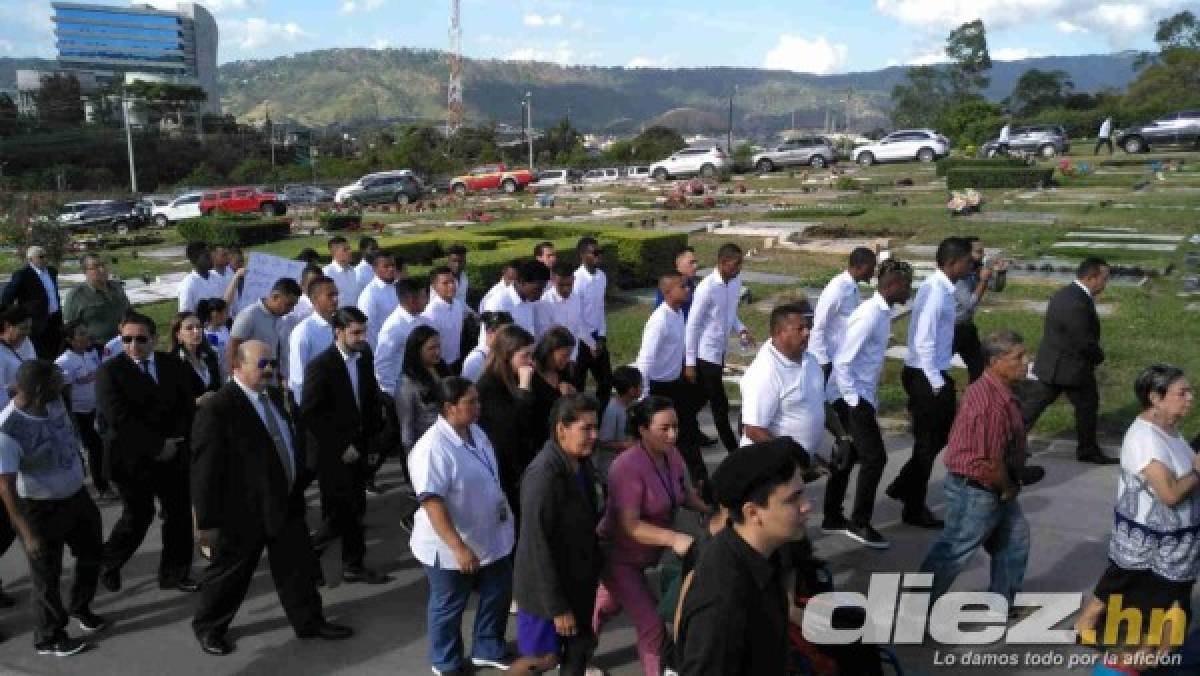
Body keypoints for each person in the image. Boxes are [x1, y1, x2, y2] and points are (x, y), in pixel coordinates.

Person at [191, 340, 352, 656]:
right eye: (262, 364)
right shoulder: (219, 408)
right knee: (229, 576)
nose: (270, 370)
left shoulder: (274, 397)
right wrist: (207, 523)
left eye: (273, 364)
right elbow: (204, 472)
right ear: (237, 366)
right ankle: (210, 627)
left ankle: (310, 622)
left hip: (284, 501)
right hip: (242, 511)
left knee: (297, 567)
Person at [1074, 364, 1200, 655]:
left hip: (1170, 541)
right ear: (1156, 398)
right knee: (1163, 601)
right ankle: (1149, 659)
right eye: (1183, 393)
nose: (1190, 398)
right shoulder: (1146, 440)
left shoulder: (1167, 428)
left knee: (1124, 584)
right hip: (1157, 541)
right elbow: (1169, 493)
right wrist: (1197, 474)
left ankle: (1092, 629)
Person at [593, 395, 708, 676]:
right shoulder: (626, 467)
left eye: (676, 427)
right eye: (664, 428)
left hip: (645, 555)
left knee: (606, 605)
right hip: (618, 556)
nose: (673, 435)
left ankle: (573, 649)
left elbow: (685, 495)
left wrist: (714, 511)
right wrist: (673, 539)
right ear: (643, 430)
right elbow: (629, 525)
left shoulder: (672, 454)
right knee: (653, 626)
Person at [408, 377, 516, 675]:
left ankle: (487, 647)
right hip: (452, 545)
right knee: (449, 605)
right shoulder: (432, 448)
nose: (478, 407)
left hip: (489, 535)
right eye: (471, 402)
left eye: (477, 400)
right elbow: (432, 502)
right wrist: (458, 546)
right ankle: (445, 662)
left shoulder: (474, 431)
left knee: (498, 591)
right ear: (449, 407)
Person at [919, 330, 1032, 609]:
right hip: (980, 489)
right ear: (995, 362)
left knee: (1014, 542)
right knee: (955, 550)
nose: (1026, 362)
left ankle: (1001, 604)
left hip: (993, 485)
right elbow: (989, 463)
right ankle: (915, 607)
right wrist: (1008, 489)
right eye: (1018, 357)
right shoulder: (991, 404)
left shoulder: (997, 391)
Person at [0, 360, 105, 657]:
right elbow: (5, 486)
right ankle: (49, 637)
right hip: (39, 510)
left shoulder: (55, 400)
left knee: (92, 552)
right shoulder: (8, 430)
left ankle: (80, 607)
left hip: (76, 497)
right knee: (46, 576)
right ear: (37, 390)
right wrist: (27, 533)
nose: (63, 385)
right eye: (56, 382)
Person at [677, 442, 809, 676]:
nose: (806, 506)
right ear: (753, 513)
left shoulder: (766, 552)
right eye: (793, 499)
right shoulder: (723, 599)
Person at [96, 312, 197, 593]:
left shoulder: (172, 365)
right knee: (138, 516)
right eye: (126, 339)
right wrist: (156, 446)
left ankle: (175, 574)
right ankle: (109, 562)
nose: (133, 345)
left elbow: (186, 405)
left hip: (173, 454)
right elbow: (119, 418)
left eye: (140, 339)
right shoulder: (110, 372)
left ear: (154, 339)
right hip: (131, 459)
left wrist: (175, 441)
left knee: (178, 516)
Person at [511, 394, 605, 676]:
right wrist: (557, 607)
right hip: (547, 594)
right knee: (542, 660)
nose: (594, 435)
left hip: (577, 582)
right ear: (561, 429)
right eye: (586, 429)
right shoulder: (543, 475)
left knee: (578, 652)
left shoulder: (581, 463)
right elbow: (535, 545)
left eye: (595, 427)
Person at [823, 260, 913, 550]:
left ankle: (832, 517)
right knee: (874, 458)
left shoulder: (882, 312)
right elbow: (843, 360)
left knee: (849, 455)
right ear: (892, 285)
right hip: (850, 396)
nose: (909, 289)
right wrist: (854, 402)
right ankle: (860, 522)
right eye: (906, 284)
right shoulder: (870, 315)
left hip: (858, 395)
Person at [887, 236, 973, 528]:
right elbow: (923, 339)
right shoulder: (936, 292)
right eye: (967, 260)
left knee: (937, 439)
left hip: (930, 373)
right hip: (927, 375)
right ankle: (913, 508)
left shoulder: (941, 289)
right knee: (927, 445)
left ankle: (903, 487)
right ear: (952, 263)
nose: (971, 264)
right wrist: (936, 382)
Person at [302, 307, 388, 584]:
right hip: (334, 453)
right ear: (338, 332)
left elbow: (370, 400)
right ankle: (306, 558)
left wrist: (373, 442)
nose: (361, 338)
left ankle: (353, 564)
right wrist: (340, 446)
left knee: (355, 509)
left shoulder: (362, 359)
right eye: (355, 333)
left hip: (360, 446)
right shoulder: (321, 365)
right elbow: (311, 413)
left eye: (363, 331)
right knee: (340, 512)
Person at [1022, 257, 1115, 465]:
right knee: (1086, 406)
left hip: (1054, 364)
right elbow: (1083, 341)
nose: (1105, 284)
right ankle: (1087, 450)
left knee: (1034, 405)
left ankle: (1009, 441)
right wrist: (1099, 356)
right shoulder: (1076, 303)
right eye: (1104, 278)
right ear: (1091, 278)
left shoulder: (1067, 293)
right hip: (1071, 368)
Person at [636, 272, 706, 493]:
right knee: (661, 441)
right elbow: (645, 361)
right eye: (682, 286)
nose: (688, 289)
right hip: (657, 389)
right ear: (667, 292)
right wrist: (644, 397)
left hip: (676, 385)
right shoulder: (659, 321)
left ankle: (702, 489)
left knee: (687, 437)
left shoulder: (678, 315)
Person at [685, 242, 755, 455]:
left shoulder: (735, 283)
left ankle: (683, 426)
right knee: (720, 405)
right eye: (736, 264)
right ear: (723, 263)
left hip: (719, 351)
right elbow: (693, 324)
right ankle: (735, 452)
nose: (739, 268)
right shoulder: (707, 288)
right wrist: (689, 363)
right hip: (705, 354)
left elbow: (729, 314)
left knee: (699, 398)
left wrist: (741, 329)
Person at [477, 325, 538, 517]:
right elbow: (511, 426)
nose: (530, 363)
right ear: (507, 356)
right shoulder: (488, 387)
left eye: (531, 356)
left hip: (522, 462)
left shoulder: (514, 378)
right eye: (525, 356)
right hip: (504, 469)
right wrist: (524, 389)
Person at [56, 320, 114, 502]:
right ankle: (102, 487)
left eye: (86, 332)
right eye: (81, 334)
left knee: (106, 445)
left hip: (99, 409)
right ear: (70, 340)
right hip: (81, 414)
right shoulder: (64, 362)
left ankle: (109, 479)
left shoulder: (91, 355)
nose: (86, 336)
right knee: (95, 450)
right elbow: (64, 394)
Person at [809, 247, 876, 379]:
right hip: (827, 359)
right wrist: (822, 360)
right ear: (858, 267)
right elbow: (818, 324)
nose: (873, 273)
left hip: (841, 357)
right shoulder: (838, 289)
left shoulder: (852, 286)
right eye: (871, 268)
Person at [953, 236, 1007, 382]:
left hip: (966, 326)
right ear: (966, 254)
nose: (982, 255)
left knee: (978, 367)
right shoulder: (958, 277)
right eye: (979, 252)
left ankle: (975, 399)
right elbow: (970, 303)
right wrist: (983, 280)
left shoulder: (975, 270)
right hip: (951, 329)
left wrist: (1001, 273)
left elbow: (997, 287)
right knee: (938, 367)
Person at [227, 277, 302, 382]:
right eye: (289, 305)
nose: (291, 310)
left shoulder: (279, 317)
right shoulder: (249, 315)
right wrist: (237, 381)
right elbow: (232, 350)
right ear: (275, 297)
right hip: (249, 381)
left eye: (293, 306)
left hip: (269, 379)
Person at [572, 237, 612, 406]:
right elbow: (576, 315)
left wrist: (601, 336)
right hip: (580, 340)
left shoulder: (601, 276)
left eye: (599, 252)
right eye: (594, 253)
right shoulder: (577, 279)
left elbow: (600, 307)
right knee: (578, 386)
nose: (598, 255)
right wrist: (590, 343)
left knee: (606, 382)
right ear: (582, 255)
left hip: (597, 336)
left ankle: (599, 415)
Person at [3, 246, 62, 359]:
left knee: (56, 350)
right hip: (36, 322)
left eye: (46, 256)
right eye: (41, 256)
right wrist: (17, 316)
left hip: (55, 319)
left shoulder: (51, 271)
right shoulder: (22, 274)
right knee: (40, 354)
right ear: (30, 259)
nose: (45, 259)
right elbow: (7, 297)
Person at [398, 325, 451, 450]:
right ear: (417, 350)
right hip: (427, 445)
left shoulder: (443, 369)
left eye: (438, 346)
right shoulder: (407, 383)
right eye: (431, 348)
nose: (437, 352)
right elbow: (407, 426)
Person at [287, 277, 339, 405]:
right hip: (315, 403)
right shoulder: (303, 331)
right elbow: (298, 378)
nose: (336, 299)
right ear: (315, 299)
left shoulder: (340, 325)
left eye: (336, 294)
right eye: (330, 295)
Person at [375, 278, 430, 395]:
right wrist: (393, 395)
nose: (427, 301)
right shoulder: (393, 328)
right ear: (412, 300)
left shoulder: (421, 319)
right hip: (402, 392)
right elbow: (382, 366)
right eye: (424, 297)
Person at [61, 253, 129, 348]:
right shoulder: (76, 296)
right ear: (85, 271)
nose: (102, 270)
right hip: (97, 349)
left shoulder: (117, 287)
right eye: (96, 267)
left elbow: (129, 312)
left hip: (125, 343)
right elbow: (69, 328)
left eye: (103, 265)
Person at [479, 259, 547, 348]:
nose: (540, 294)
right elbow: (491, 343)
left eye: (543, 289)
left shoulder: (530, 300)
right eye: (537, 290)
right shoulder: (498, 302)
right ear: (522, 282)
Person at [531, 326, 577, 452]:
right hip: (540, 441)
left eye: (569, 355)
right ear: (549, 351)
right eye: (564, 355)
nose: (567, 360)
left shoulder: (565, 372)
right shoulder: (532, 375)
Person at [278, 266, 324, 384]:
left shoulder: (326, 304)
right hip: (295, 370)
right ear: (302, 285)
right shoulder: (293, 309)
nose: (316, 287)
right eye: (312, 283)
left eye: (320, 282)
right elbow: (283, 342)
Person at [596, 365, 641, 479]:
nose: (642, 388)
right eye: (640, 385)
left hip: (628, 467)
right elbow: (602, 442)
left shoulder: (633, 406)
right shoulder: (612, 411)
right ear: (632, 390)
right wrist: (625, 445)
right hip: (611, 471)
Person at [535, 262, 585, 363]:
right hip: (553, 360)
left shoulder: (576, 298)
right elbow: (544, 337)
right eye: (561, 285)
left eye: (569, 285)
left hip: (574, 356)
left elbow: (577, 328)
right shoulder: (544, 303)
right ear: (552, 280)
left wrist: (572, 358)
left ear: (574, 279)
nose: (566, 289)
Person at [421, 266, 469, 369]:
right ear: (434, 286)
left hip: (457, 360)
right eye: (445, 283)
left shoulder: (457, 304)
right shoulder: (430, 314)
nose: (451, 286)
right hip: (440, 366)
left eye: (452, 281)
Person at [170, 312, 222, 401]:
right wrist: (197, 401)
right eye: (189, 328)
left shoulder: (210, 355)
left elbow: (218, 386)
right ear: (178, 335)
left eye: (198, 327)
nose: (196, 331)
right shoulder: (171, 363)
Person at [356, 251, 400, 350]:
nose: (391, 269)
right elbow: (369, 331)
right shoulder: (369, 295)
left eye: (393, 265)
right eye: (386, 266)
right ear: (375, 269)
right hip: (383, 350)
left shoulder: (399, 286)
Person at [0, 306, 36, 411]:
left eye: (29, 328)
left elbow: (34, 363)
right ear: (8, 326)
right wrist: (14, 389)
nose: (27, 332)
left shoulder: (26, 342)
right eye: (23, 328)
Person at [462, 311, 513, 383]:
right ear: (490, 332)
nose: (509, 338)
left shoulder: (502, 352)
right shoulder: (475, 361)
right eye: (505, 333)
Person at [178, 242, 226, 314]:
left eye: (210, 255)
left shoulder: (217, 278)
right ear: (195, 259)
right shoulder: (188, 285)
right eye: (207, 256)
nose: (211, 258)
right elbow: (186, 316)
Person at [653, 247, 699, 319]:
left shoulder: (691, 284)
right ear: (677, 265)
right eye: (691, 262)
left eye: (696, 262)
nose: (696, 266)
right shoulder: (669, 288)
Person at [323, 236, 362, 309]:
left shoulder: (352, 270)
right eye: (345, 250)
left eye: (349, 248)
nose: (350, 251)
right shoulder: (326, 274)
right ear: (334, 253)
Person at [196, 299, 230, 379]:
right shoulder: (205, 335)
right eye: (225, 312)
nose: (227, 315)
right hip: (218, 376)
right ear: (215, 314)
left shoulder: (225, 329)